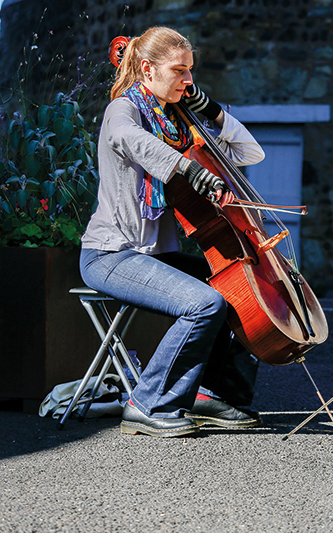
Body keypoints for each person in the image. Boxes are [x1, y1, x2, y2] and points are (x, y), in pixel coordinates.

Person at [80, 26, 266, 437]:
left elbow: (250, 153)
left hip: (155, 255)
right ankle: (147, 403)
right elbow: (130, 139)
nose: (188, 79)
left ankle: (208, 395)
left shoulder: (178, 124)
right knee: (203, 304)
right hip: (112, 254)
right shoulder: (123, 110)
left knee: (237, 291)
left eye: (190, 70)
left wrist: (212, 110)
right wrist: (187, 169)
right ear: (148, 69)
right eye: (179, 70)